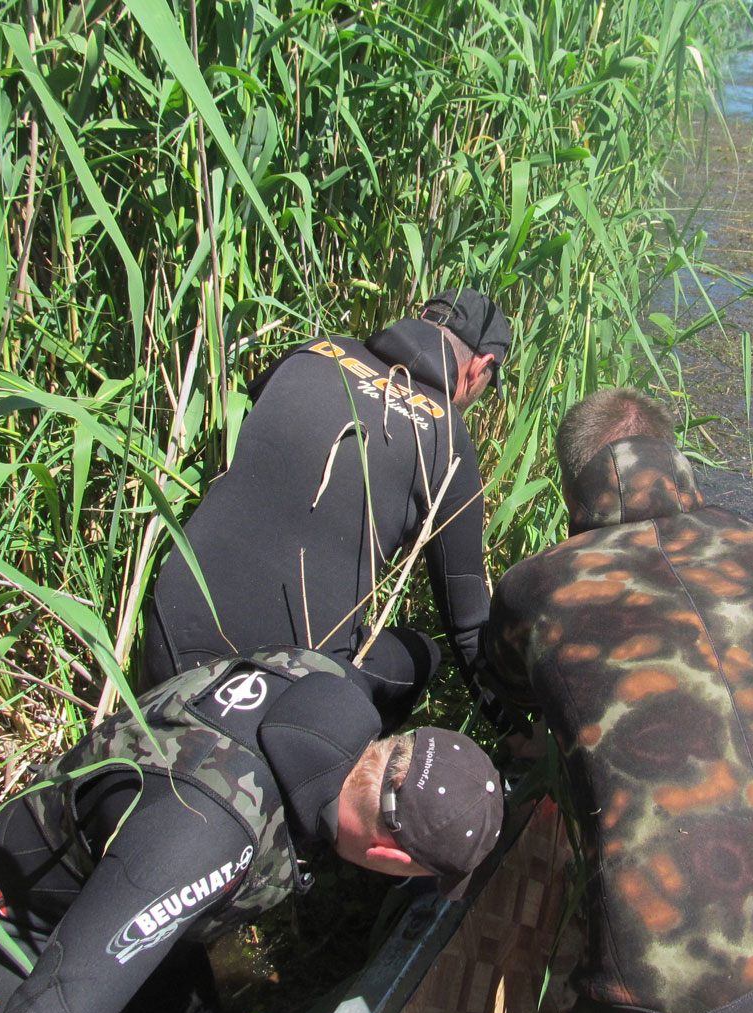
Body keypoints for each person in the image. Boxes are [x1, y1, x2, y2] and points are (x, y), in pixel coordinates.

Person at [478, 389, 753, 1013]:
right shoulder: (751, 542)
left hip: (673, 991)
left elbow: (507, 687)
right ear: (674, 458)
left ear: (570, 487)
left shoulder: (536, 583)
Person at [0, 646, 504, 1013]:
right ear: (387, 855)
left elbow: (409, 651)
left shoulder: (324, 679)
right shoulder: (210, 841)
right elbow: (58, 1005)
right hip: (12, 919)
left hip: (135, 879)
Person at [143, 288, 512, 725]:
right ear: (480, 368)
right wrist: (509, 726)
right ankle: (344, 754)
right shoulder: (447, 437)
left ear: (421, 317)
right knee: (423, 654)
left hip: (166, 639)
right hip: (281, 689)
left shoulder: (316, 350)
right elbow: (467, 626)